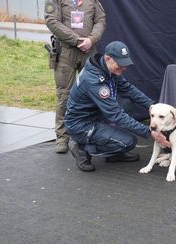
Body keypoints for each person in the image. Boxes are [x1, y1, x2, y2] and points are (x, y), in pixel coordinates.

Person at [64, 41, 170, 171]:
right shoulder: (93, 80)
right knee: (129, 142)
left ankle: (112, 153)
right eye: (120, 65)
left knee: (127, 102)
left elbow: (128, 88)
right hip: (81, 125)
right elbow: (116, 115)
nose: (124, 68)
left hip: (96, 114)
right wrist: (149, 132)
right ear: (108, 58)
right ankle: (81, 148)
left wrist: (152, 105)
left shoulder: (106, 68)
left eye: (125, 64)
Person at [44, 0, 106, 153]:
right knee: (64, 95)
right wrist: (76, 40)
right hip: (66, 52)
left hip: (89, 52)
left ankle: (90, 135)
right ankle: (62, 138)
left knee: (92, 94)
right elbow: (51, 20)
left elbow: (100, 20)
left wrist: (91, 39)